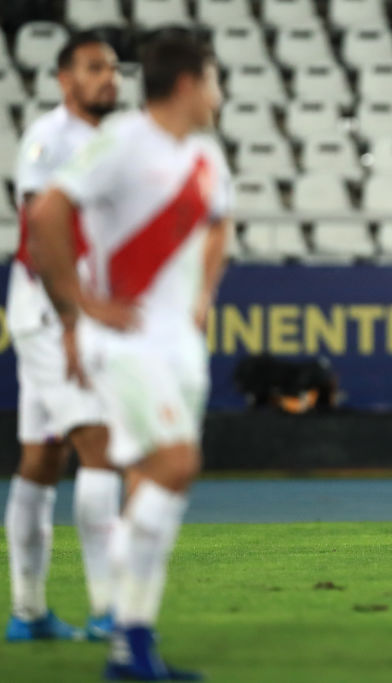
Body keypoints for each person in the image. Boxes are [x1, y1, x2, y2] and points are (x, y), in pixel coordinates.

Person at [30, 35, 233, 679]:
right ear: (189, 84)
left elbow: (218, 223)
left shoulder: (206, 155)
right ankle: (124, 630)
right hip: (124, 340)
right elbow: (46, 214)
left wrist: (204, 291)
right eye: (214, 81)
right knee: (176, 464)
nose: (220, 94)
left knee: (157, 482)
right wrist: (78, 303)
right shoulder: (121, 143)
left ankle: (132, 640)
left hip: (178, 340)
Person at [4, 31, 121, 643]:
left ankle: (27, 614)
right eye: (93, 67)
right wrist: (72, 319)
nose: (108, 77)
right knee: (100, 446)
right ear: (63, 79)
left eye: (111, 68)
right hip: (54, 316)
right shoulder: (51, 138)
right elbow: (39, 234)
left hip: (61, 315)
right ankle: (108, 612)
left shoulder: (107, 141)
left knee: (42, 458)